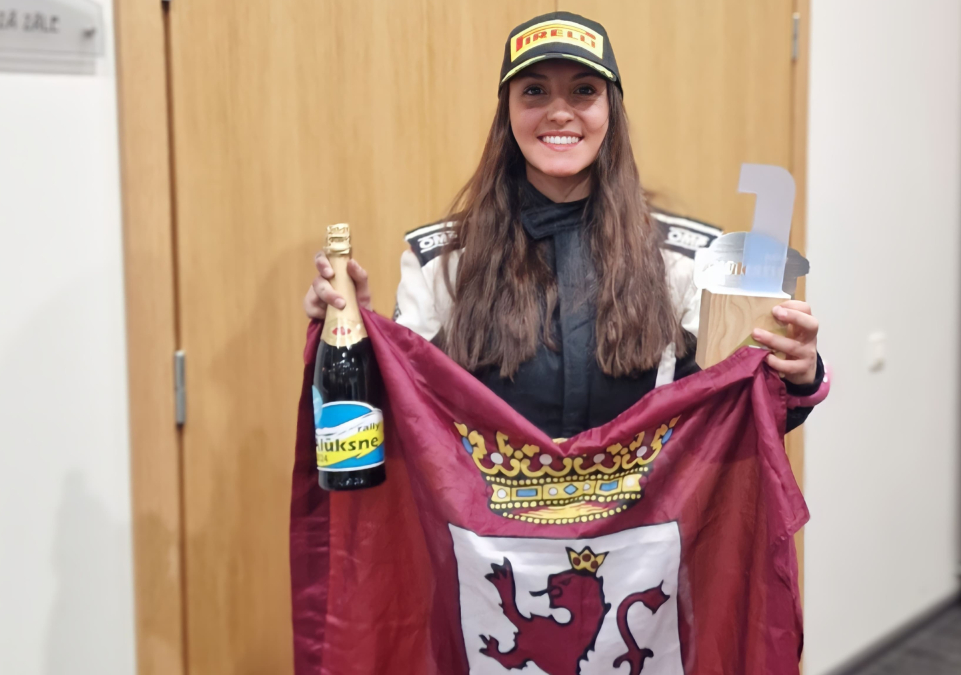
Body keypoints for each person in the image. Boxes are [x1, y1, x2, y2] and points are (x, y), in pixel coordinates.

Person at [302, 11, 828, 439]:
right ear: (506, 112)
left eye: (582, 91)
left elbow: (733, 423)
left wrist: (798, 374)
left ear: (610, 112)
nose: (559, 112)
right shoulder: (440, 260)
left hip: (640, 556)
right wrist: (356, 337)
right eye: (534, 91)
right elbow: (393, 421)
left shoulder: (689, 259)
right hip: (492, 556)